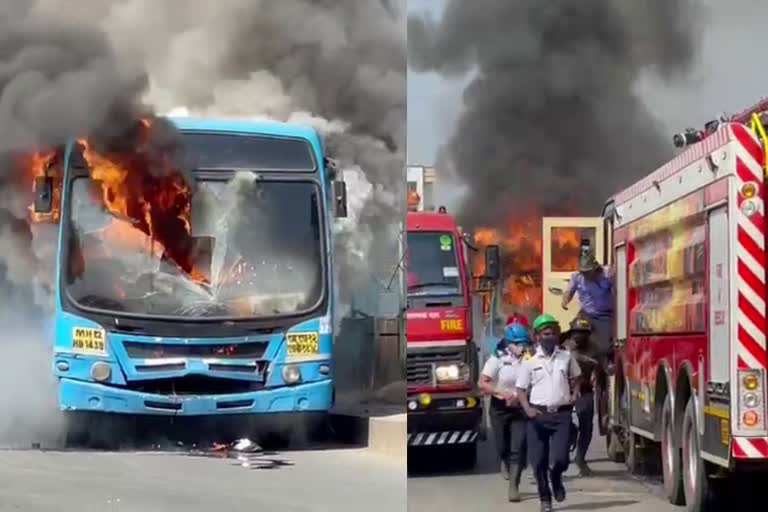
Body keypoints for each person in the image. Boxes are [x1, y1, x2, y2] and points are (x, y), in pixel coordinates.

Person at [516, 314, 582, 512]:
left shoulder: (566, 357)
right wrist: (527, 408)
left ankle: (556, 479)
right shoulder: (529, 361)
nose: (550, 337)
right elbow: (520, 389)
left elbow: (577, 377)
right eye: (545, 333)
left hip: (561, 415)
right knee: (538, 463)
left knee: (561, 459)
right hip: (537, 416)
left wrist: (576, 391)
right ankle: (545, 499)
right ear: (537, 337)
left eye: (553, 333)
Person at [479, 323, 532, 502]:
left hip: (520, 408)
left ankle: (514, 487)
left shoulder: (529, 358)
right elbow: (483, 382)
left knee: (517, 448)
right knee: (503, 447)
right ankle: (504, 461)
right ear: (509, 343)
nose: (521, 347)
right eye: (517, 343)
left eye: (523, 343)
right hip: (499, 408)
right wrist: (501, 393)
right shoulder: (497, 359)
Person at [561, 251, 614, 365]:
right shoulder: (577, 277)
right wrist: (565, 301)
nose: (586, 275)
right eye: (583, 272)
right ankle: (572, 354)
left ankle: (606, 361)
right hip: (586, 314)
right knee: (577, 332)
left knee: (605, 346)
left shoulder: (607, 275)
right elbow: (569, 291)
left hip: (604, 315)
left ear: (595, 269)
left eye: (588, 272)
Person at [562, 315, 599, 476]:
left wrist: (596, 370)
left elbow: (601, 364)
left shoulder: (594, 348)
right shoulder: (562, 346)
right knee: (563, 424)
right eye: (576, 332)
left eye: (583, 333)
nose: (579, 336)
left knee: (587, 425)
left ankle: (580, 458)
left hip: (584, 389)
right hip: (563, 390)